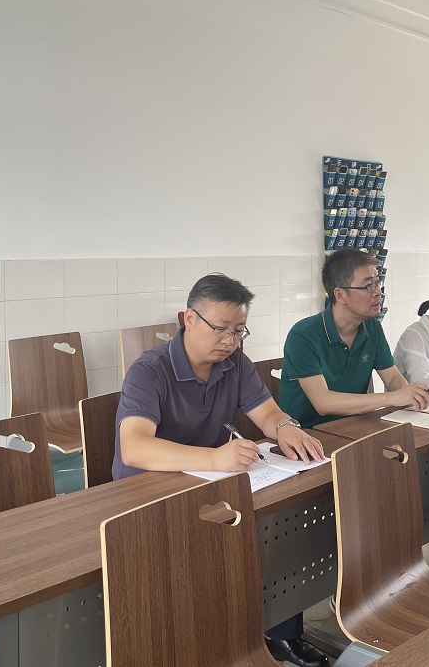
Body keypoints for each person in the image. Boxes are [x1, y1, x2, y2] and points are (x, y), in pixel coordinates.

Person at [113, 273, 329, 667]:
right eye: (221, 328)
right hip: (148, 496)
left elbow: (267, 412)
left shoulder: (235, 364)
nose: (230, 340)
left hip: (208, 485)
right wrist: (214, 458)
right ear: (188, 319)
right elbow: (135, 447)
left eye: (239, 330)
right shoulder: (149, 370)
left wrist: (284, 428)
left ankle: (279, 635)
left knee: (280, 521)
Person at [279, 248, 429, 428]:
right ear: (340, 295)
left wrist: (411, 394)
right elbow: (323, 403)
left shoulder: (372, 327)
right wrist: (391, 398)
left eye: (377, 283)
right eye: (368, 286)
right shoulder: (303, 335)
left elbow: (392, 378)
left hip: (352, 425)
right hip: (305, 433)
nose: (378, 292)